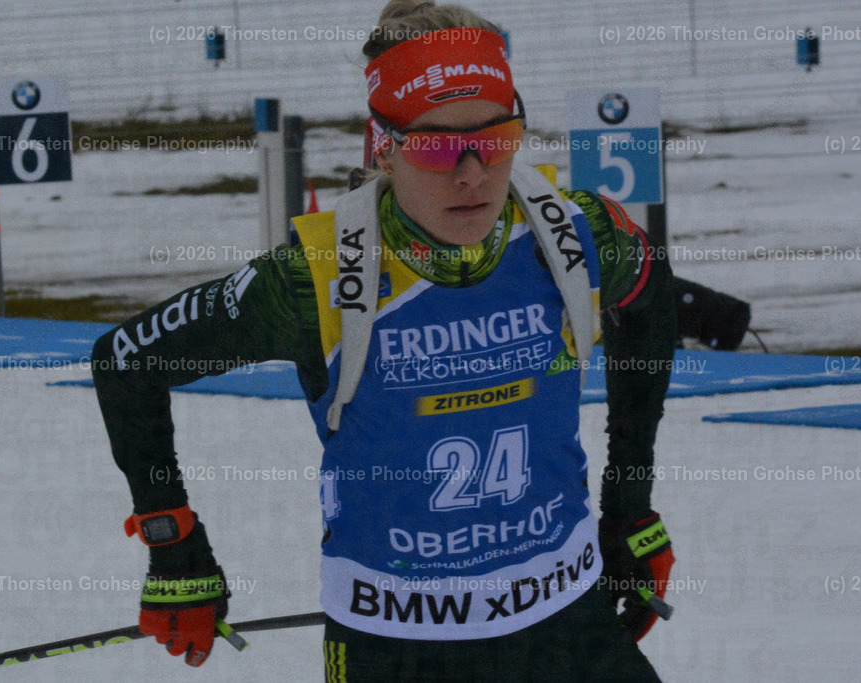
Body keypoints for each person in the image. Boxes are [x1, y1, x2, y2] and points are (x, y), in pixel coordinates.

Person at [92, 1, 677, 679]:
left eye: (495, 137)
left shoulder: (581, 235)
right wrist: (175, 547)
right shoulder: (315, 278)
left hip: (567, 623)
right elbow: (127, 360)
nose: (470, 172)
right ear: (385, 144)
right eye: (433, 145)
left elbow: (651, 302)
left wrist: (630, 505)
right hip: (397, 645)